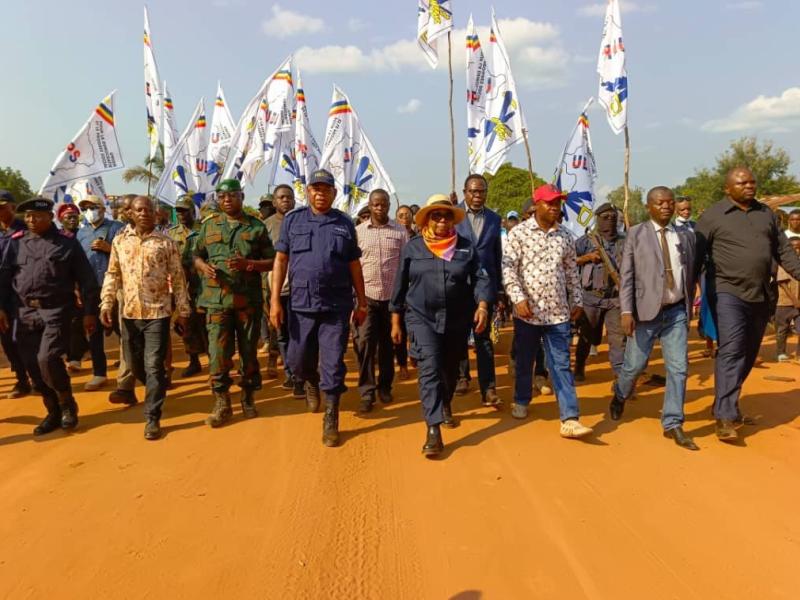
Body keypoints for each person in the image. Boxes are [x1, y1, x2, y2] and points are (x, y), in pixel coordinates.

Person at [695, 167, 800, 442]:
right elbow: (695, 256)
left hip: (761, 294)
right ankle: (725, 416)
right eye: (742, 183)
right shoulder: (712, 216)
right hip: (727, 292)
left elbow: (784, 251)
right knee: (731, 349)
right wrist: (688, 295)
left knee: (749, 353)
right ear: (727, 189)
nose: (749, 186)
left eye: (752, 182)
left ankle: (725, 402)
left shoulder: (766, 214)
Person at [270, 169, 368, 448]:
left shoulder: (345, 224)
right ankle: (310, 381)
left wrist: (361, 301)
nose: (320, 193)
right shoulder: (293, 221)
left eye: (326, 189)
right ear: (308, 192)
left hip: (336, 306)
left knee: (334, 361)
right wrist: (275, 300)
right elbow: (280, 261)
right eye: (315, 188)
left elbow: (354, 265)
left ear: (334, 193)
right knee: (298, 360)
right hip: (300, 304)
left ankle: (331, 416)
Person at [390, 195, 491, 456]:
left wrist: (482, 305)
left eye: (447, 216)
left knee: (449, 370)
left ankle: (445, 403)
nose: (443, 221)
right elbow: (399, 285)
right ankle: (433, 429)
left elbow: (480, 279)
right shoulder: (413, 248)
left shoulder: (466, 247)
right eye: (437, 216)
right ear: (427, 219)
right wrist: (395, 320)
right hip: (421, 318)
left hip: (457, 319)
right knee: (430, 369)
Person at [608, 187, 699, 450]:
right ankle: (620, 393)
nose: (666, 207)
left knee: (679, 367)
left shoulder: (684, 234)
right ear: (649, 206)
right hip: (645, 312)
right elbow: (627, 277)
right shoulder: (636, 234)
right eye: (660, 203)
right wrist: (626, 312)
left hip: (676, 312)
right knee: (633, 366)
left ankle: (673, 422)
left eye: (670, 203)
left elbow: (690, 270)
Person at [0, 197, 98, 435]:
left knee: (47, 359)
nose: (32, 220)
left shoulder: (67, 243)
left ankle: (67, 404)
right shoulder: (16, 242)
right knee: (32, 364)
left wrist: (89, 312)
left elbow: (87, 281)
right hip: (24, 312)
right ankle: (52, 410)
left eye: (37, 216)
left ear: (49, 217)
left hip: (56, 310)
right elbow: (3, 278)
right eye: (28, 217)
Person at [502, 184, 593, 439]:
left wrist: (577, 300)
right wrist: (518, 299)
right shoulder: (518, 234)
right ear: (536, 205)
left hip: (558, 314)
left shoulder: (565, 236)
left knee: (561, 364)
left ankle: (570, 418)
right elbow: (508, 270)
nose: (555, 208)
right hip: (527, 314)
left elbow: (571, 271)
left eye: (558, 204)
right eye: (550, 203)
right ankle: (521, 399)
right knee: (525, 362)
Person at [99, 196, 190, 440]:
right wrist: (106, 303)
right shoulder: (120, 241)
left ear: (155, 213)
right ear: (130, 213)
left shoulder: (166, 243)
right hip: (129, 314)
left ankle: (152, 416)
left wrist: (183, 311)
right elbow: (112, 274)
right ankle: (153, 385)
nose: (144, 214)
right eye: (139, 210)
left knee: (153, 365)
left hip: (157, 314)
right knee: (136, 364)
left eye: (148, 210)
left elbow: (178, 278)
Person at [194, 179, 275, 428]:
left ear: (241, 197)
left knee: (249, 352)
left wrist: (248, 265)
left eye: (232, 195)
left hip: (247, 302)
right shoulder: (208, 227)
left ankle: (248, 396)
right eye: (222, 196)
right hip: (216, 302)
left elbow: (272, 262)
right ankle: (222, 402)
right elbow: (195, 255)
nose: (227, 199)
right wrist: (202, 266)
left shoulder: (256, 227)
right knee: (218, 354)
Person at [354, 189, 409, 413]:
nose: (379, 208)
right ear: (369, 205)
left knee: (389, 345)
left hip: (392, 299)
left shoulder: (400, 231)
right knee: (365, 343)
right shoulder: (357, 232)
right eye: (375, 204)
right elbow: (353, 266)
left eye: (383, 204)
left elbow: (406, 265)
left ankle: (385, 386)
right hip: (366, 298)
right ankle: (367, 391)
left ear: (388, 205)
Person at [454, 174, 503, 407]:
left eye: (481, 191)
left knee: (483, 338)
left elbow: (497, 255)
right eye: (473, 191)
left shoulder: (494, 219)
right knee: (459, 335)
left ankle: (489, 388)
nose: (477, 196)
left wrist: (499, 290)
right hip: (458, 285)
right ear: (465, 192)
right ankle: (462, 377)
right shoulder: (453, 217)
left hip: (485, 286)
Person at [573, 203, 626, 381]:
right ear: (597, 219)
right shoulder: (586, 241)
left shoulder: (625, 241)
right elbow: (567, 260)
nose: (610, 221)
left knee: (618, 339)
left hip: (615, 299)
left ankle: (620, 376)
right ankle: (579, 366)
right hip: (591, 298)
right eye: (605, 218)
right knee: (587, 337)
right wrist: (587, 258)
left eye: (613, 217)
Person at [75, 195, 123, 391]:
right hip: (90, 288)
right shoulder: (81, 233)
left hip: (115, 286)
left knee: (123, 329)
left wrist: (109, 248)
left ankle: (132, 367)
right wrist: (76, 287)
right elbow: (76, 262)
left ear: (103, 209)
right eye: (85, 208)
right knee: (93, 331)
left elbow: (129, 255)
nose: (90, 211)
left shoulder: (117, 228)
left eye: (93, 207)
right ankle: (99, 373)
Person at [264, 184, 298, 392]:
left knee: (301, 333)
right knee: (282, 333)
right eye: (281, 197)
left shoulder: (302, 221)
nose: (286, 200)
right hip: (277, 288)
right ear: (274, 202)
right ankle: (290, 373)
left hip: (302, 287)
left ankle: (302, 370)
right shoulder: (265, 226)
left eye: (289, 197)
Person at [168, 195, 206, 377]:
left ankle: (215, 358)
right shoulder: (172, 233)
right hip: (183, 286)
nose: (181, 214)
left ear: (193, 211)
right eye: (178, 211)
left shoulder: (204, 228)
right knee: (185, 325)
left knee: (207, 323)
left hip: (204, 284)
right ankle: (193, 360)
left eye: (184, 210)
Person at [107, 194, 139, 406]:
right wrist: (108, 299)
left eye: (131, 208)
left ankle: (158, 378)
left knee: (152, 343)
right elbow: (113, 270)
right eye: (124, 209)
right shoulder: (119, 235)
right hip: (125, 294)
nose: (127, 212)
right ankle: (125, 387)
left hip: (154, 297)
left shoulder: (160, 234)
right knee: (127, 339)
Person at [0, 189, 32, 398]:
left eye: (3, 206)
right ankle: (22, 379)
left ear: (12, 206)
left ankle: (41, 376)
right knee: (8, 341)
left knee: (27, 339)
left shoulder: (27, 230)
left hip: (23, 294)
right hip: (2, 295)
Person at [58, 203, 90, 371]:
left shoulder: (85, 235)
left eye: (74, 216)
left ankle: (77, 354)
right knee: (72, 322)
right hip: (68, 287)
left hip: (87, 283)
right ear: (60, 220)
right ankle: (75, 355)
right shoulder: (58, 238)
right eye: (67, 217)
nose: (72, 219)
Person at [775, 237, 800, 361]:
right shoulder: (783, 264)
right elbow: (783, 284)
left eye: (798, 247)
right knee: (782, 330)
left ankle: (798, 355)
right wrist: (795, 300)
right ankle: (781, 353)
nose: (796, 250)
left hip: (798, 304)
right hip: (784, 303)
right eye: (793, 247)